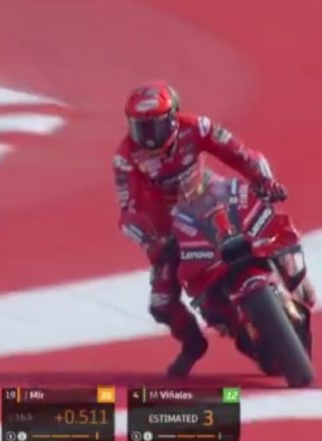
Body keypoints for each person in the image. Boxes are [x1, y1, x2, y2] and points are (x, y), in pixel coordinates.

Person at [113, 80, 294, 377]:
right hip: (169, 226)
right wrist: (151, 243)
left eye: (155, 126)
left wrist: (265, 180)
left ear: (173, 118)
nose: (148, 138)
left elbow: (239, 153)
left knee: (264, 219)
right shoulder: (125, 158)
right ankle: (194, 342)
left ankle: (295, 276)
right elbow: (128, 212)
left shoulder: (197, 127)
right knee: (161, 302)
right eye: (139, 128)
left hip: (209, 194)